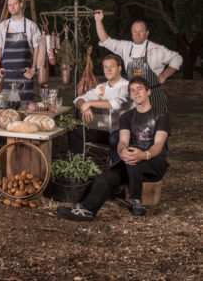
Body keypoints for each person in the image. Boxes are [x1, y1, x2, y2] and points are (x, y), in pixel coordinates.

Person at [57, 77, 170, 221]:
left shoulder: (161, 116)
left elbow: (158, 146)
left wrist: (143, 155)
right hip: (131, 161)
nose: (136, 93)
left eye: (139, 89)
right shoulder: (126, 117)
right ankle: (86, 210)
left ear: (148, 92)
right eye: (132, 90)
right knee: (107, 176)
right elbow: (123, 141)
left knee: (133, 158)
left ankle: (137, 201)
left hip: (154, 162)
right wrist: (122, 151)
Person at [94, 11, 182, 112]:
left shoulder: (156, 49)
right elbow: (105, 40)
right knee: (137, 125)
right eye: (135, 32)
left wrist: (164, 75)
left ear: (147, 33)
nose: (137, 34)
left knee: (158, 125)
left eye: (141, 31)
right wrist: (98, 21)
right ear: (131, 33)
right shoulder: (125, 47)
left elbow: (177, 58)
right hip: (135, 96)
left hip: (154, 95)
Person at [67, 54, 132, 164]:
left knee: (114, 139)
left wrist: (90, 103)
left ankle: (117, 172)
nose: (108, 70)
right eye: (105, 67)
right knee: (74, 130)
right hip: (106, 126)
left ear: (119, 68)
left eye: (112, 66)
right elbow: (79, 99)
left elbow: (115, 103)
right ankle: (76, 165)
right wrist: (84, 106)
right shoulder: (102, 87)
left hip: (124, 130)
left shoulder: (127, 86)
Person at [0, 0, 40, 102]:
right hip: (6, 76)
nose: (12, 7)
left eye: (15, 4)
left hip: (25, 76)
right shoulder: (2, 26)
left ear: (21, 5)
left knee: (25, 109)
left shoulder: (31, 26)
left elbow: (38, 49)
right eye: (10, 5)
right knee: (6, 110)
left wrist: (33, 69)